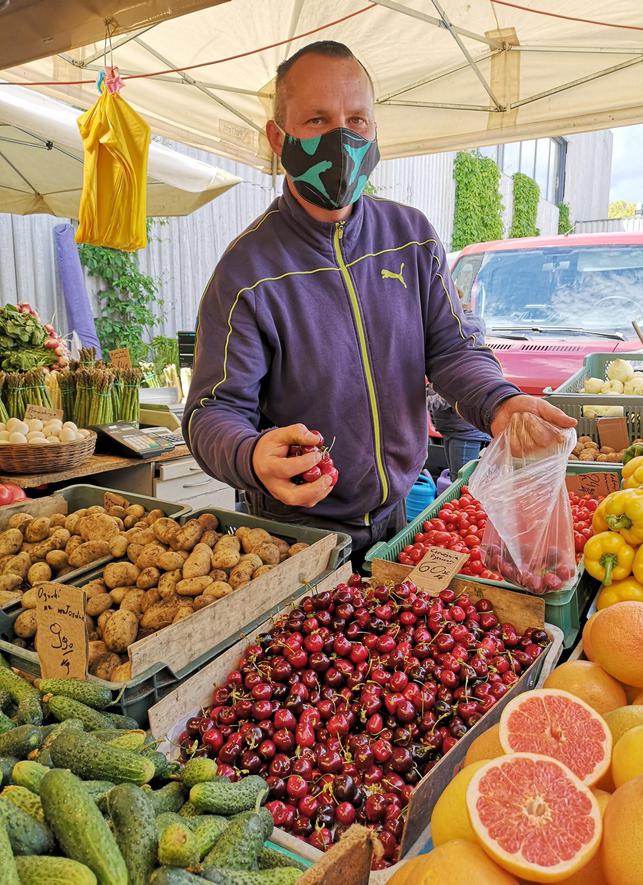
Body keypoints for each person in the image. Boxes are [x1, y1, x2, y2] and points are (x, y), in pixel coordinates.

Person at [183, 40, 575, 563]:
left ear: (374, 131)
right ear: (278, 138)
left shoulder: (410, 235)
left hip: (401, 516)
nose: (342, 136)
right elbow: (212, 412)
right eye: (317, 120)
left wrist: (498, 402)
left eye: (357, 120)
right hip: (293, 532)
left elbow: (452, 349)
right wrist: (251, 455)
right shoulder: (247, 273)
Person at [427, 308, 491, 480]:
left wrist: (420, 401)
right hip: (452, 428)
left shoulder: (463, 350)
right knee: (456, 478)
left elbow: (453, 393)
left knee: (463, 481)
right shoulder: (453, 346)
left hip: (465, 430)